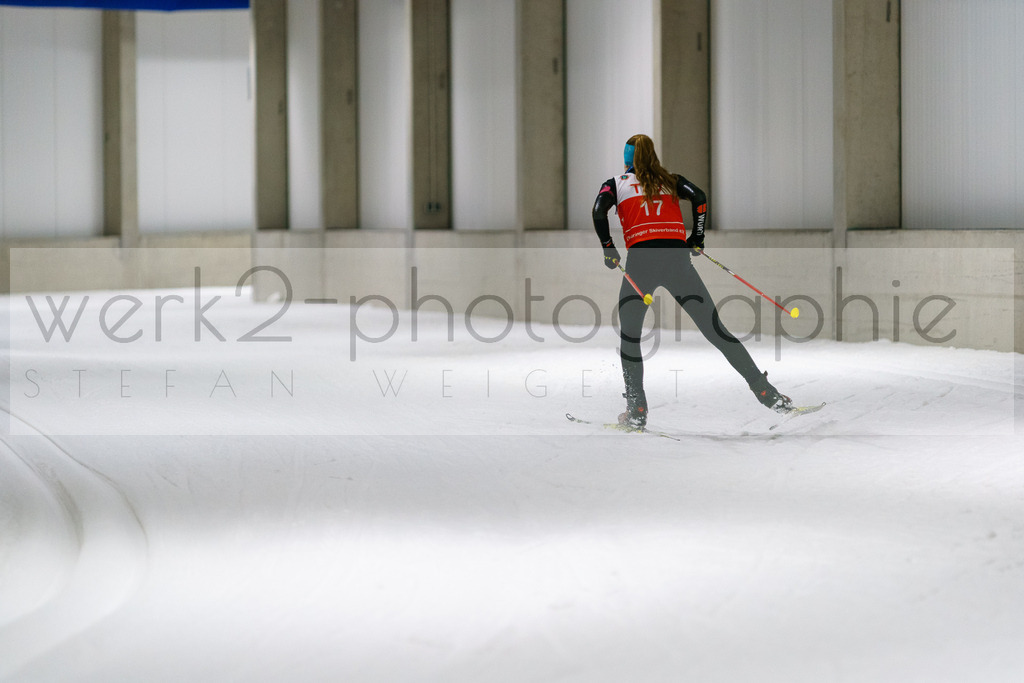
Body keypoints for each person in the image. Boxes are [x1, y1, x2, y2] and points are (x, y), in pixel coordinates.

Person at [592, 134, 792, 428]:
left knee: (631, 336)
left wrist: (609, 249)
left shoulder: (615, 184)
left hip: (641, 263)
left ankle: (636, 410)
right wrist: (697, 237)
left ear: (626, 159)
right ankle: (767, 394)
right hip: (677, 262)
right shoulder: (672, 180)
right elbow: (699, 196)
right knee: (717, 331)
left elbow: (599, 211)